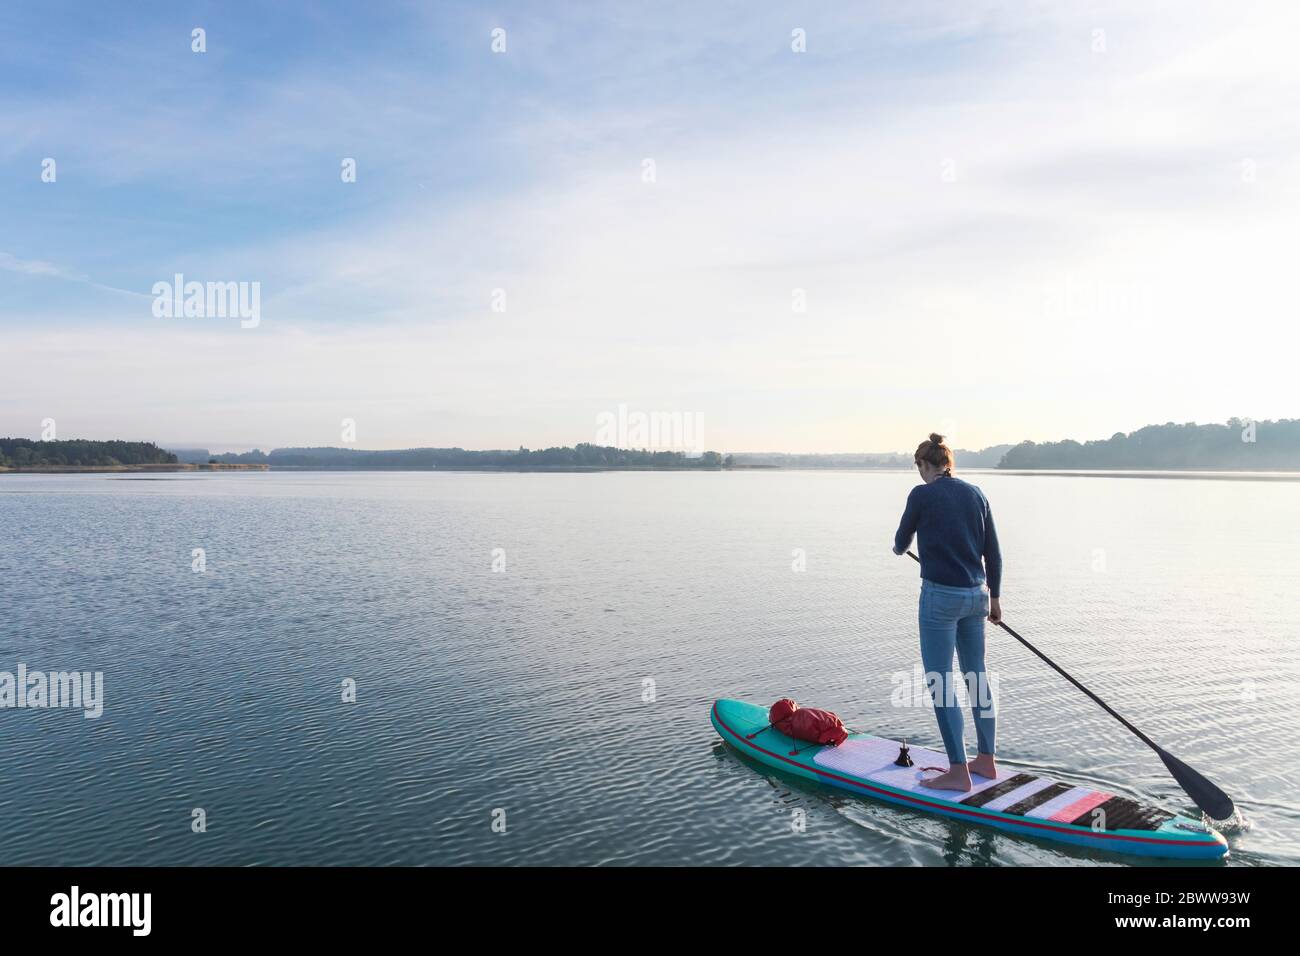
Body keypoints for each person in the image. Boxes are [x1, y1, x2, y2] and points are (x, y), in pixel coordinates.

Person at [892, 433, 1003, 791]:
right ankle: (986, 760)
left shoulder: (921, 495)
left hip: (940, 599)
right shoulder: (976, 493)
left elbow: (900, 541)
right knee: (977, 677)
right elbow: (994, 553)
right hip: (978, 597)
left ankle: (958, 772)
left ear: (925, 465)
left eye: (919, 468)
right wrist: (996, 599)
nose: (919, 475)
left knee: (941, 682)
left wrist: (899, 547)